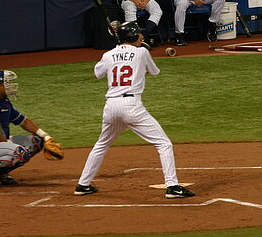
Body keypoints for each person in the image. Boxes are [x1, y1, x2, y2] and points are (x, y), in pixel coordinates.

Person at [74, 21, 196, 199]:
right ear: (132, 36)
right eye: (139, 33)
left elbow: (97, 74)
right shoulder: (142, 52)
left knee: (101, 145)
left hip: (111, 107)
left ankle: (83, 184)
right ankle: (172, 186)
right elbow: (153, 72)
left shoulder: (108, 54)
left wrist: (117, 56)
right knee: (163, 143)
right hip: (131, 107)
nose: (142, 36)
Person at [0, 70, 58, 189]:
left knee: (37, 142)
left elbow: (23, 121)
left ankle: (0, 174)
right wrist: (9, 144)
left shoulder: (4, 102)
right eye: (6, 83)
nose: (10, 86)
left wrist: (46, 136)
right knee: (20, 152)